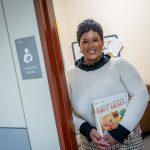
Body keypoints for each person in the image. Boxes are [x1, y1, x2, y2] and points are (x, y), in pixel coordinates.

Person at [66, 19, 149, 150]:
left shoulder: (120, 65)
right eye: (85, 41)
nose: (91, 45)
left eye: (95, 40)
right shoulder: (69, 74)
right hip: (92, 143)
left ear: (102, 42)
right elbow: (66, 110)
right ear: (79, 46)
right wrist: (85, 129)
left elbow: (141, 95)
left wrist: (120, 132)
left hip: (125, 140)